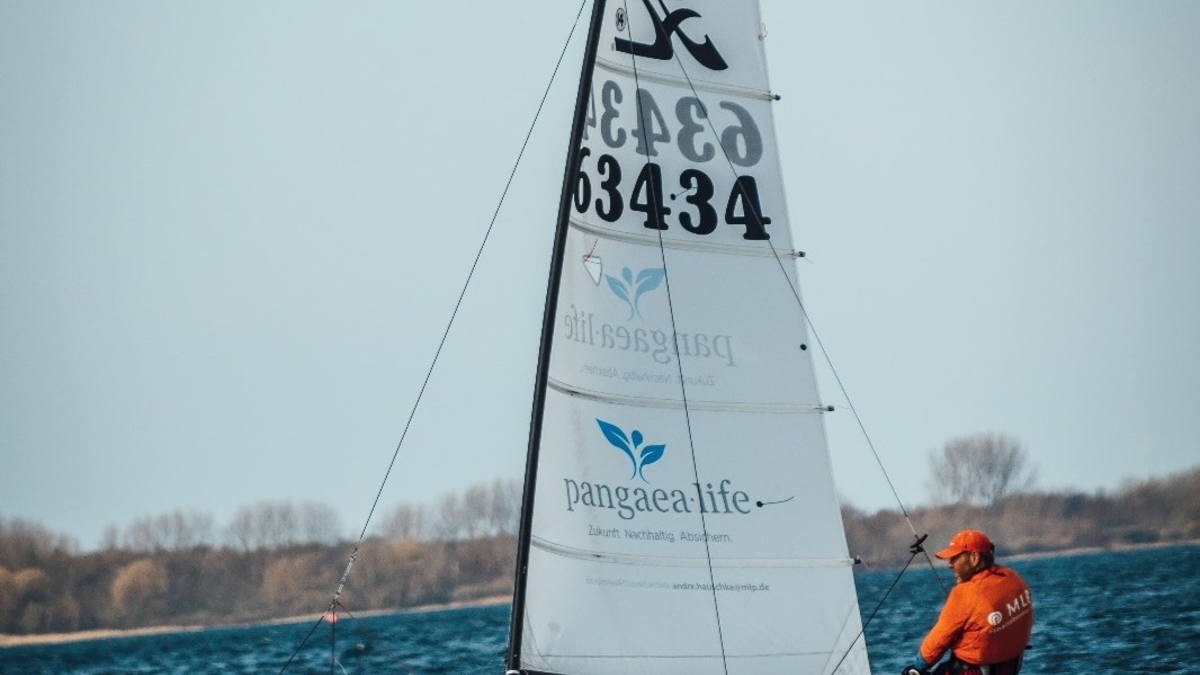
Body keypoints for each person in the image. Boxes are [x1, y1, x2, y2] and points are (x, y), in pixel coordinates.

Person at [902, 529, 1033, 675]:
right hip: (1009, 668)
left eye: (955, 558)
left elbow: (935, 645)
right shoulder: (1015, 579)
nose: (950, 565)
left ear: (974, 558)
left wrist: (915, 668)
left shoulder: (965, 593)